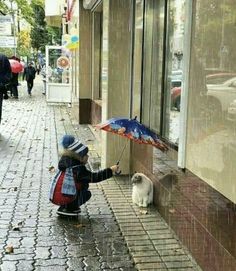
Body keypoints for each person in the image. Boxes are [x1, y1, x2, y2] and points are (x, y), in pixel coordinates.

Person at [53, 135, 119, 216]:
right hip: (65, 197)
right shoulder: (78, 169)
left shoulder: (66, 164)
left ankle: (64, 206)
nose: (88, 156)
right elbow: (94, 177)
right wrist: (110, 170)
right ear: (80, 157)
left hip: (57, 197)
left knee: (80, 185)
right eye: (86, 155)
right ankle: (70, 208)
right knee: (86, 193)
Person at [0, 53, 11, 123]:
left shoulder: (3, 57)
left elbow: (8, 71)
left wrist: (3, 82)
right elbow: (9, 72)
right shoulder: (3, 57)